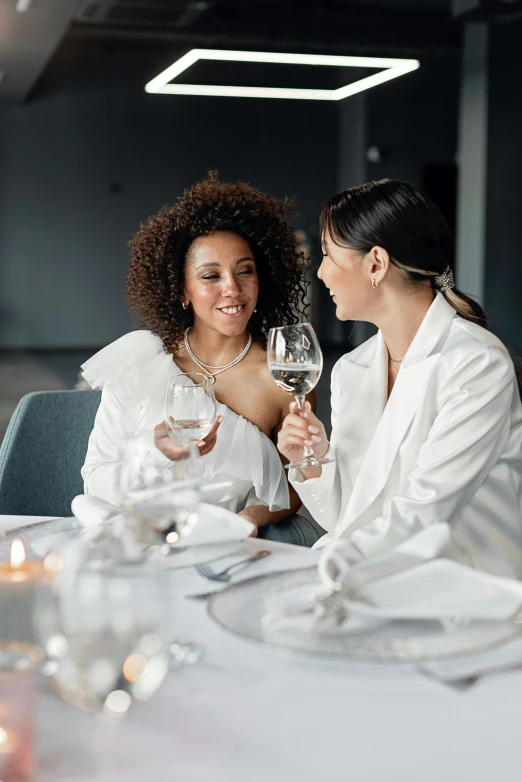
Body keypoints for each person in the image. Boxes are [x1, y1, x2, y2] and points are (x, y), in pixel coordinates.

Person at [278, 178, 522, 576]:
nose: (320, 273)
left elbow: (425, 512)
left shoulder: (477, 364)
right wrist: (313, 460)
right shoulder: (351, 371)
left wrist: (321, 570)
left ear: (376, 263)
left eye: (327, 255)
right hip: (380, 573)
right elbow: (347, 518)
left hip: (467, 589)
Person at [81, 171, 312, 537]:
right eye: (210, 276)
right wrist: (157, 454)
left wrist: (252, 518)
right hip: (133, 542)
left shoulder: (283, 375)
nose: (232, 289)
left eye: (244, 271)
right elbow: (94, 480)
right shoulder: (141, 361)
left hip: (224, 549)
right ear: (181, 290)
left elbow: (295, 483)